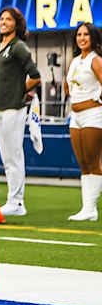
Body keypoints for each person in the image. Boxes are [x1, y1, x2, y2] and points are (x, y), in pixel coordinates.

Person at [0, 6, 41, 217]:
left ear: (16, 24)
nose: (3, 22)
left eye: (8, 19)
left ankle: (17, 202)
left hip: (14, 108)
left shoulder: (18, 47)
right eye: (1, 19)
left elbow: (35, 76)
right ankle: (13, 199)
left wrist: (20, 90)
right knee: (6, 156)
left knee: (14, 156)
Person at [65, 23, 102, 221]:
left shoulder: (96, 60)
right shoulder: (75, 61)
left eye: (86, 34)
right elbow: (67, 87)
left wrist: (94, 100)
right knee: (83, 163)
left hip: (93, 114)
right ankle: (86, 208)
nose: (82, 38)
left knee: (93, 161)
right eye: (79, 34)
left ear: (93, 38)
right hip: (75, 115)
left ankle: (91, 208)